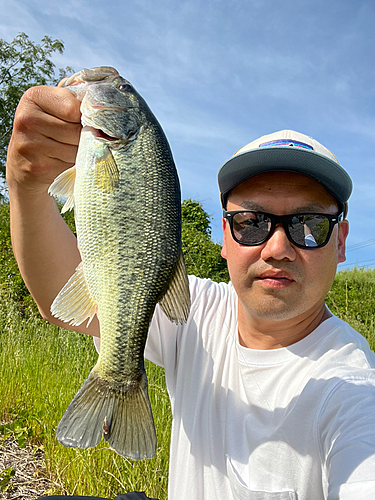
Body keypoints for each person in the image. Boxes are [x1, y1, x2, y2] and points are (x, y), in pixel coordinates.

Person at [6, 85, 375, 500]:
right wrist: (25, 185)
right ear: (225, 236)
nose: (276, 249)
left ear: (340, 242)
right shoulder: (198, 313)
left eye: (309, 226)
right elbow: (58, 296)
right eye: (251, 222)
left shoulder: (356, 394)